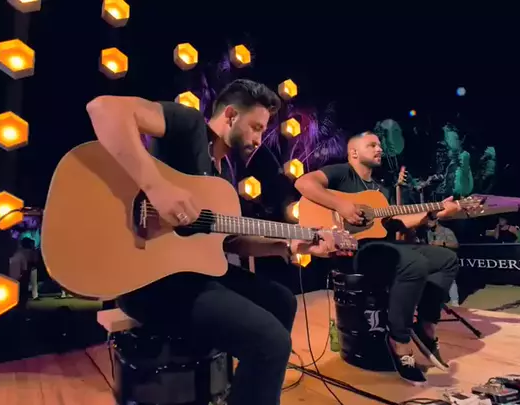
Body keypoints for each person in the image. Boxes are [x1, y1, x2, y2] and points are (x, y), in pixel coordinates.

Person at [86, 79, 340, 405]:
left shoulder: (224, 176)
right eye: (256, 128)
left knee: (282, 301)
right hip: (150, 281)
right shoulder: (189, 127)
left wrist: (287, 246)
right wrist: (156, 187)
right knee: (272, 343)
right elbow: (103, 108)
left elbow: (230, 242)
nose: (259, 140)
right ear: (231, 115)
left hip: (195, 275)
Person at [294, 131, 463, 385]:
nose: (379, 149)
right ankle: (399, 340)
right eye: (372, 145)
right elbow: (303, 183)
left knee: (446, 259)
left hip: (381, 247)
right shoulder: (342, 173)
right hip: (352, 249)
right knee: (413, 263)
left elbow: (398, 221)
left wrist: (433, 214)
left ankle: (426, 325)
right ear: (353, 152)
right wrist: (341, 206)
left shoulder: (380, 191)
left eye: (379, 145)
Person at [425, 218, 460, 306]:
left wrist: (442, 244)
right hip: (436, 259)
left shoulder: (447, 231)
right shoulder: (429, 233)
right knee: (436, 279)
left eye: (430, 221)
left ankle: (455, 301)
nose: (428, 223)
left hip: (448, 259)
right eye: (427, 221)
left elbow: (455, 245)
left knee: (451, 280)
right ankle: (440, 299)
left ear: (436, 221)